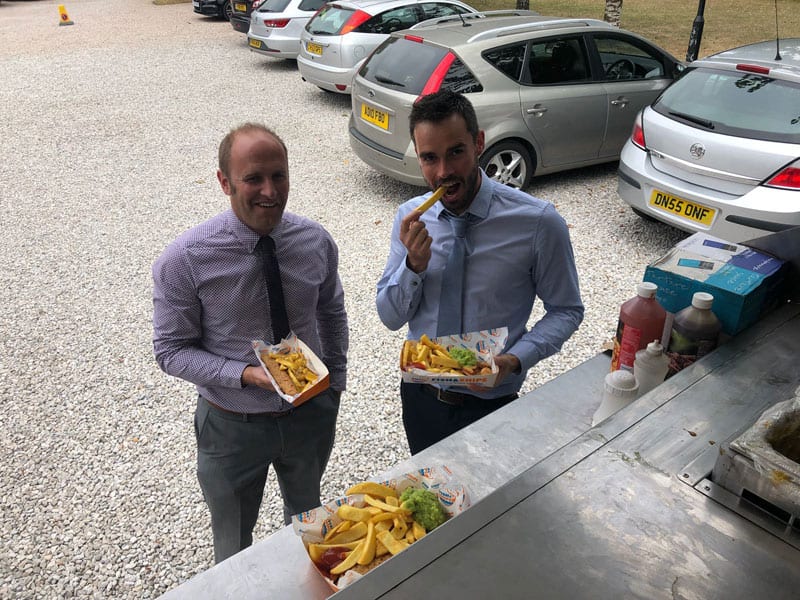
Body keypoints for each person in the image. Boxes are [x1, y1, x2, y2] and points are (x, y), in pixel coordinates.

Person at [152, 123, 348, 564]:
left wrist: (335, 384)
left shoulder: (314, 240)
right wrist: (244, 375)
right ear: (224, 182)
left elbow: (331, 311)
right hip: (231, 426)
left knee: (309, 527)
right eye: (253, 178)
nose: (270, 191)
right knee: (234, 542)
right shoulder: (184, 260)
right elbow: (169, 350)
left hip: (310, 414)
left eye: (279, 175)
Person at [376, 90, 584, 455]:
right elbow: (390, 317)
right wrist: (413, 266)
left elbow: (566, 309)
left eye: (456, 152)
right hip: (422, 397)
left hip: (493, 404)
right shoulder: (410, 218)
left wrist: (516, 359)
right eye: (429, 158)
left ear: (478, 143)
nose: (443, 172)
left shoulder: (537, 222)